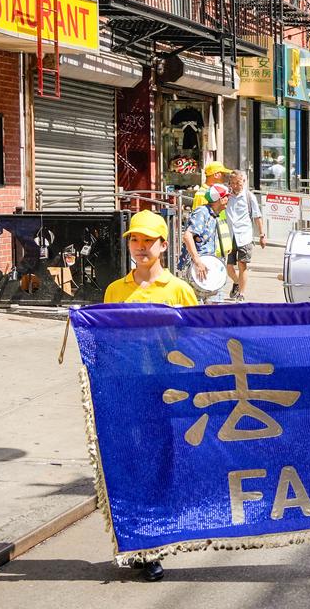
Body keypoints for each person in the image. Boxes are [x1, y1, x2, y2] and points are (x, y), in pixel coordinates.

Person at [104, 210, 198, 582]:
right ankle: (134, 542)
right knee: (128, 467)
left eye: (148, 241)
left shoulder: (179, 290)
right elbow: (105, 342)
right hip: (126, 393)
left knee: (159, 467)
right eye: (135, 240)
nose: (140, 247)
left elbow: (197, 342)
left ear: (163, 245)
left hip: (166, 393)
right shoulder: (115, 290)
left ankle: (154, 545)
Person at [180, 184, 236, 295]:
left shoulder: (213, 215)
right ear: (219, 199)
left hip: (207, 264)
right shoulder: (202, 212)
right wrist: (197, 262)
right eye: (226, 197)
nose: (228, 200)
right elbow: (187, 236)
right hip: (197, 267)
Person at [224, 171, 264, 302]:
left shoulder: (249, 196)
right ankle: (237, 282)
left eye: (238, 183)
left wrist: (262, 235)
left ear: (243, 182)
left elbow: (257, 216)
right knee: (228, 267)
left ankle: (241, 293)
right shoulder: (226, 196)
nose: (235, 186)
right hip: (229, 236)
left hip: (245, 235)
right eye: (233, 183)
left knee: (242, 265)